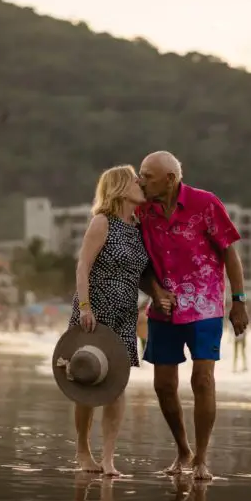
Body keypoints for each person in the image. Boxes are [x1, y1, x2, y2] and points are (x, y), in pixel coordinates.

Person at [137, 151, 249, 480]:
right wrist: (156, 293)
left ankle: (201, 458)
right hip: (163, 309)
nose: (141, 181)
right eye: (141, 174)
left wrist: (239, 300)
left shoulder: (205, 204)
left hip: (206, 307)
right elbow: (139, 266)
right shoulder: (142, 211)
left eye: (148, 175)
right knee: (163, 385)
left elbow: (229, 251)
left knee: (202, 380)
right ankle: (182, 450)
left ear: (171, 179)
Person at [68, 164, 148, 476]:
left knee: (117, 385)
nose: (140, 183)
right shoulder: (102, 222)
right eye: (134, 180)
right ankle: (82, 451)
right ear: (119, 187)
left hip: (125, 314)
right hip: (96, 311)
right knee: (87, 381)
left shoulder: (139, 227)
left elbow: (142, 275)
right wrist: (85, 308)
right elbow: (82, 268)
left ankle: (109, 457)